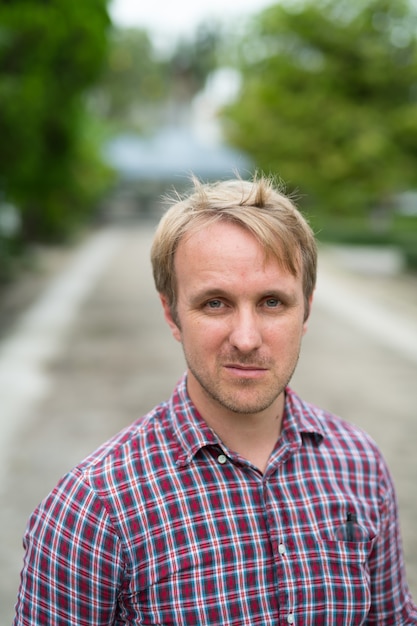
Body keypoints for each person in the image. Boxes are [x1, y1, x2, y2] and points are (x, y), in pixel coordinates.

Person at [14, 176, 417, 625]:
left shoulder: (359, 464)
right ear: (171, 314)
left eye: (271, 302)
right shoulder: (92, 510)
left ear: (305, 309)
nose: (246, 339)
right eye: (215, 304)